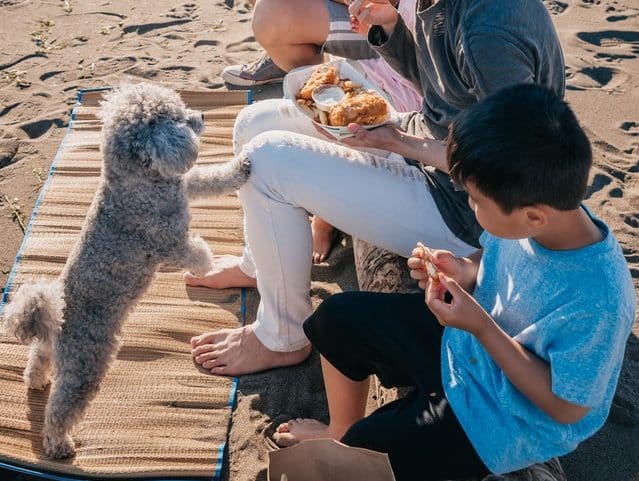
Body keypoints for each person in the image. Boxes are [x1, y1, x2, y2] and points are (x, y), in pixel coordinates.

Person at [273, 84, 636, 481]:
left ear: (533, 217)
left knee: (362, 451)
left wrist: (480, 325)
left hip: (503, 418)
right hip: (463, 345)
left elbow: (565, 408)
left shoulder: (599, 298)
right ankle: (338, 429)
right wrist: (464, 270)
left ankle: (357, 441)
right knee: (338, 318)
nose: (469, 205)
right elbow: (491, 259)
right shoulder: (538, 211)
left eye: (476, 201)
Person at [188, 0, 565, 376]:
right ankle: (262, 266)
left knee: (267, 160)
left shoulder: (489, 33)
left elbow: (513, 165)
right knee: (255, 122)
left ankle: (282, 338)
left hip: (472, 211)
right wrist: (390, 34)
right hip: (429, 148)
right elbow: (444, 91)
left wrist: (398, 143)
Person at [215, 0, 423, 264]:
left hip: (411, 49)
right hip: (392, 25)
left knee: (264, 139)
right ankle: (258, 263)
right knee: (254, 126)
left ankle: (322, 214)